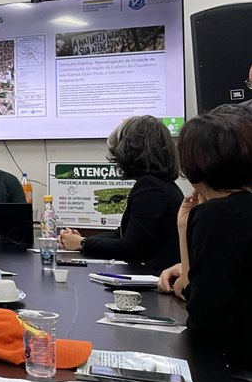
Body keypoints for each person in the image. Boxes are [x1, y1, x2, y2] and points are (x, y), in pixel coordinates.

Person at [155, 111, 252, 364]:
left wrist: (188, 276)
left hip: (230, 363)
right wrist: (183, 227)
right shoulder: (239, 207)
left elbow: (202, 317)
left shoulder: (215, 216)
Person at [58, 116, 182, 273]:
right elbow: (122, 233)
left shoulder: (151, 188)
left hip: (153, 278)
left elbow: (131, 246)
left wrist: (82, 243)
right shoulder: (159, 184)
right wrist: (82, 240)